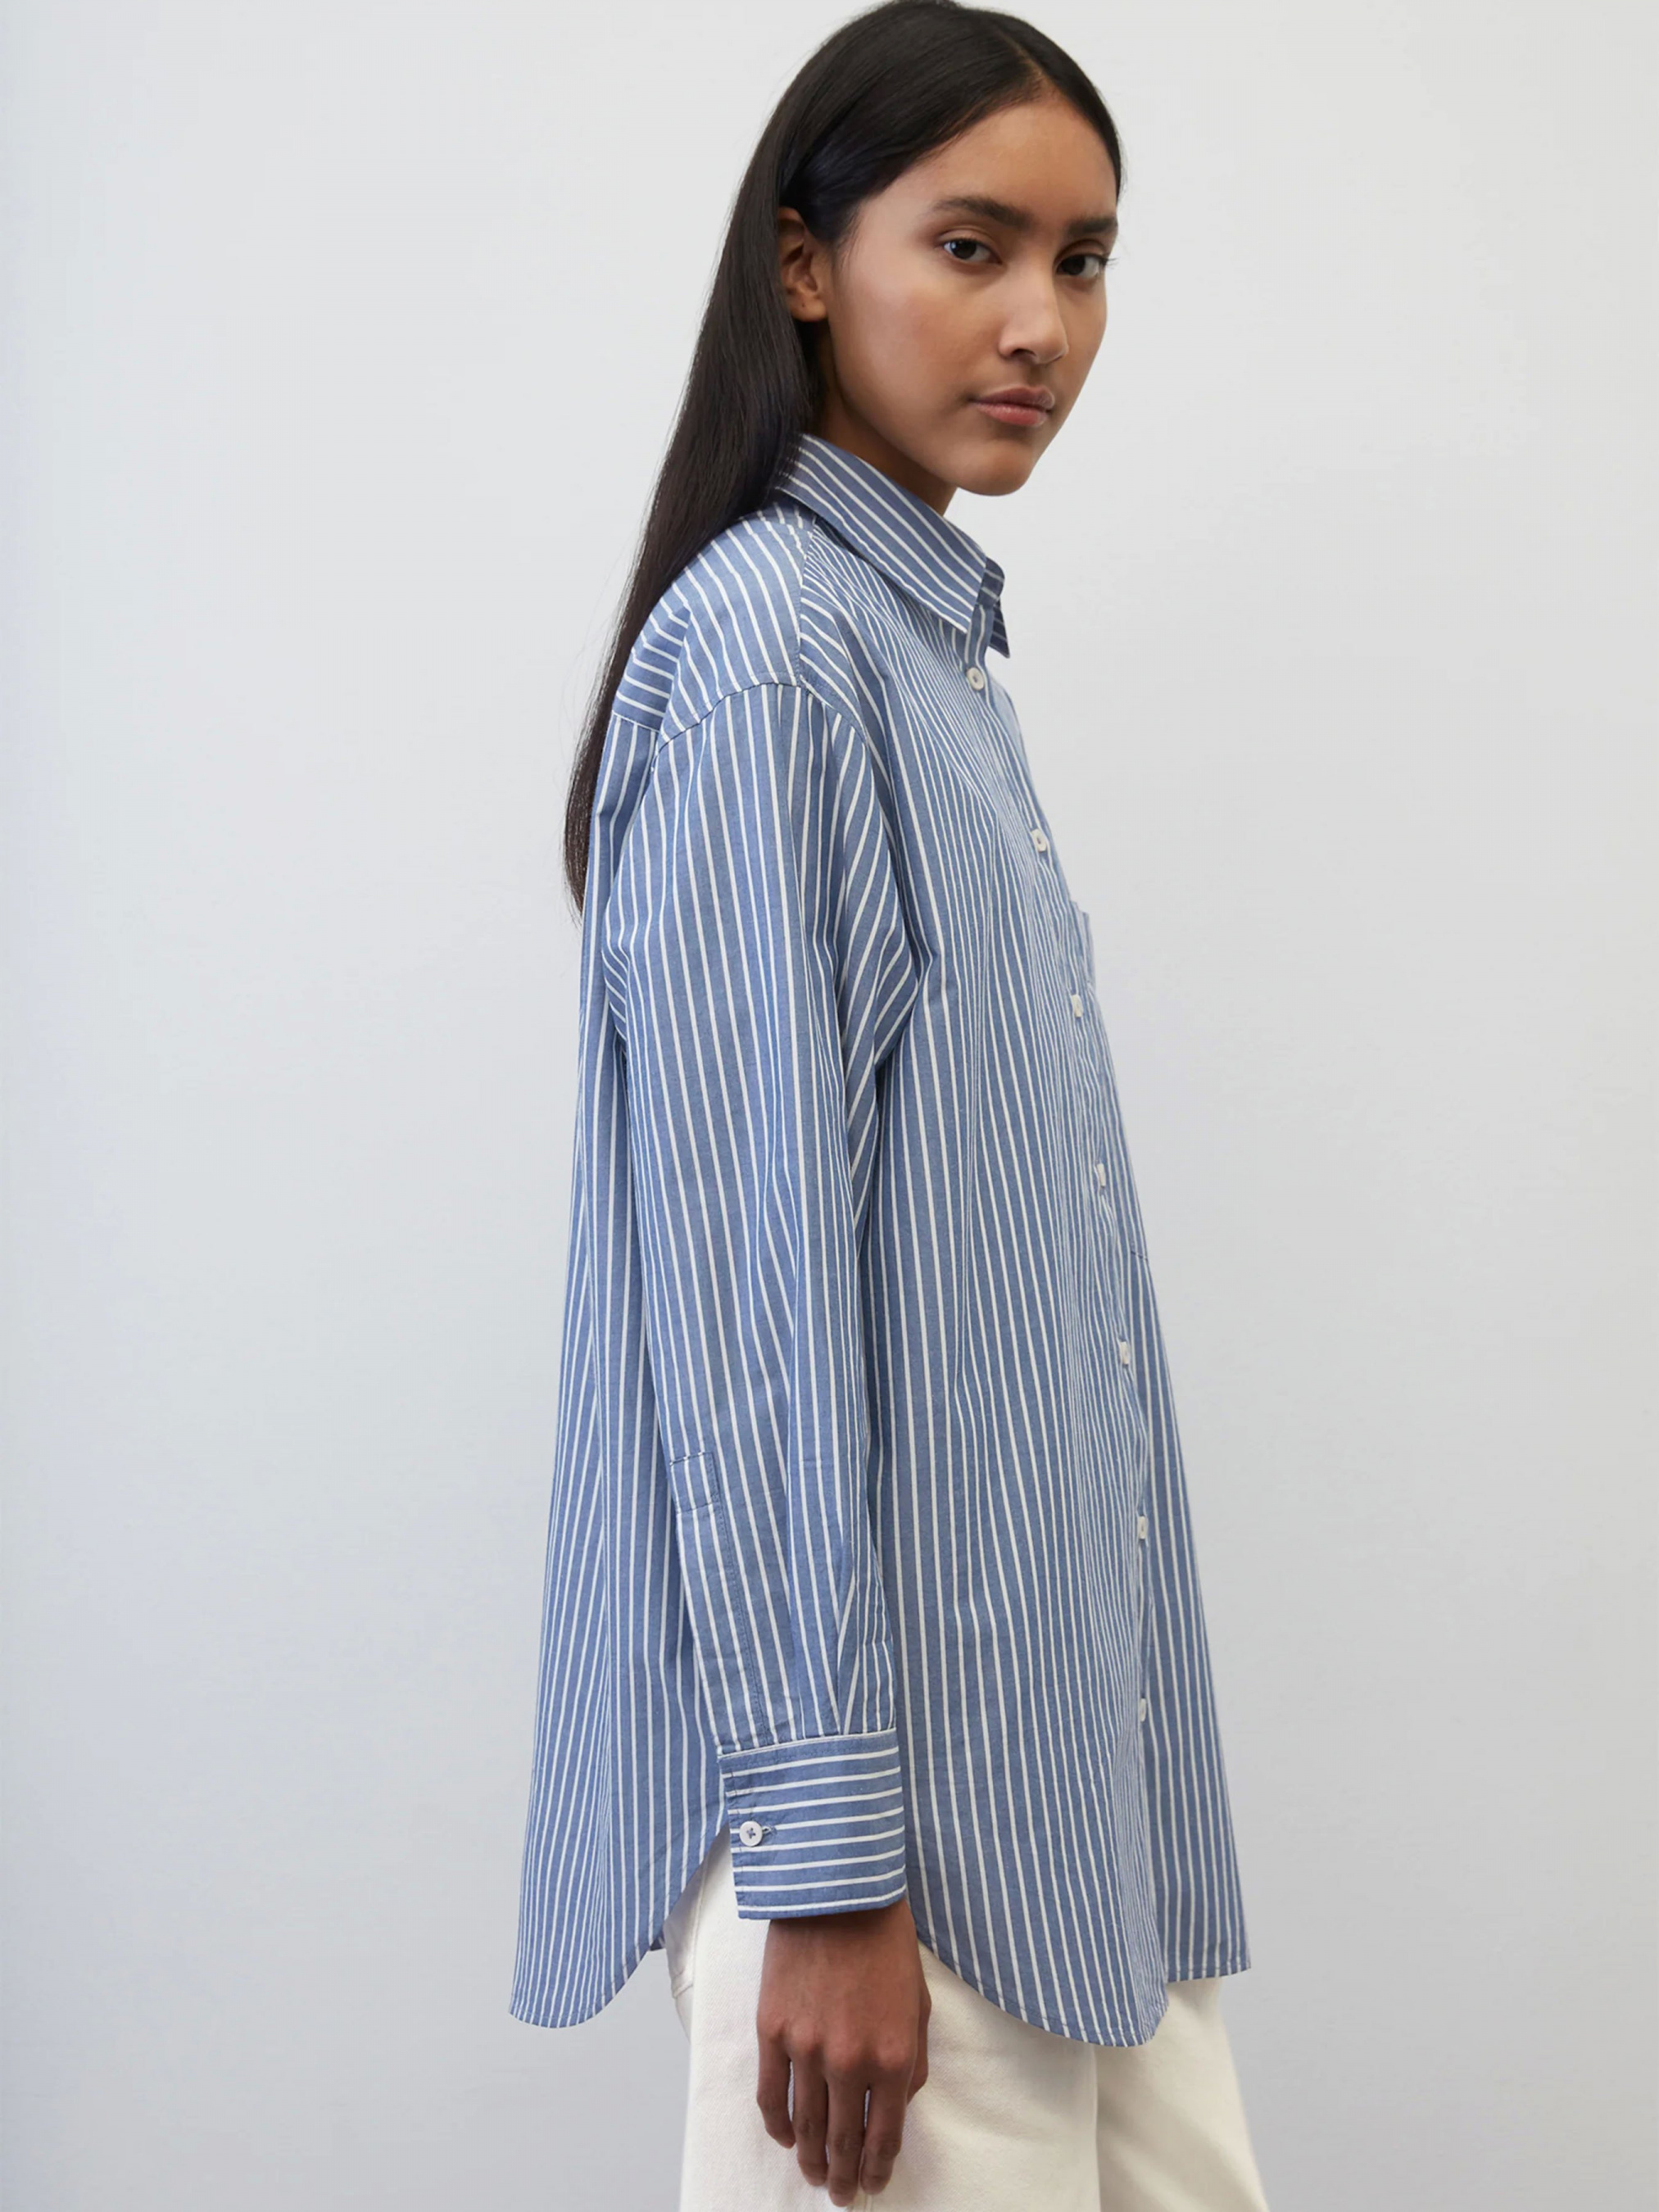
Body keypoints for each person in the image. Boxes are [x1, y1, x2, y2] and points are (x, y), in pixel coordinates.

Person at [510, 4, 1271, 2205]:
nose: (1042, 323)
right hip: (884, 1874)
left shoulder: (920, 655)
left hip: (1063, 1823)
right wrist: (831, 1868)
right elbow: (748, 1321)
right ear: (804, 262)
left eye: (1085, 260)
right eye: (972, 244)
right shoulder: (777, 655)